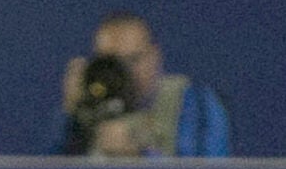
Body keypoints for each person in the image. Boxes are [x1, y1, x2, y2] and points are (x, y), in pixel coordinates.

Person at [52, 11, 231, 158]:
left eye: (133, 60)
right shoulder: (88, 106)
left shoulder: (193, 102)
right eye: (112, 63)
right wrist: (70, 114)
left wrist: (139, 155)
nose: (125, 72)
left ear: (155, 56)